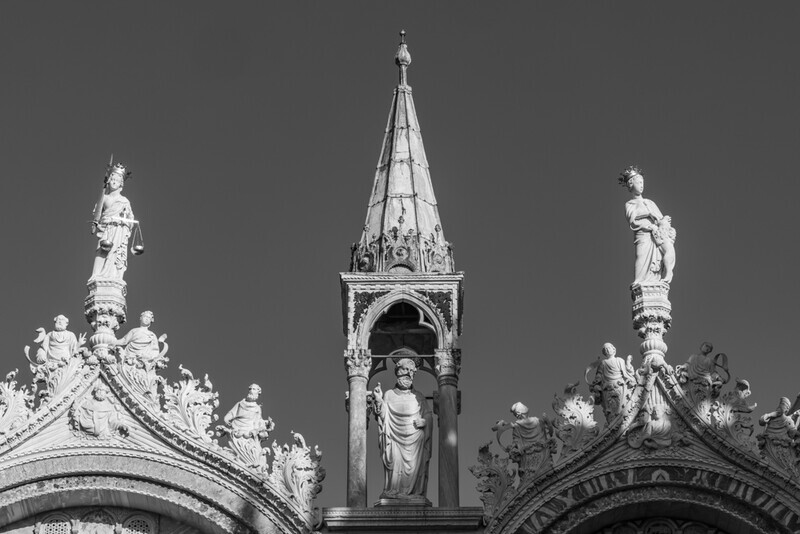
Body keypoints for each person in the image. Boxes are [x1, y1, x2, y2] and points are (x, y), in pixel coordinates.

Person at [372, 358, 433, 501]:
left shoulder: (419, 396)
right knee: (393, 464)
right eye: (406, 370)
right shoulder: (389, 395)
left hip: (415, 440)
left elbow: (428, 415)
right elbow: (383, 416)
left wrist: (424, 421)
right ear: (398, 371)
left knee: (415, 468)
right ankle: (392, 490)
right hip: (394, 437)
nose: (409, 374)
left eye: (412, 372)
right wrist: (379, 400)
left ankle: (415, 492)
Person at [619, 166, 676, 285]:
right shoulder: (630, 203)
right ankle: (639, 281)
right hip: (643, 234)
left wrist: (664, 220)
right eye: (639, 182)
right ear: (630, 184)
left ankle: (668, 272)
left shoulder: (650, 202)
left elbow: (660, 219)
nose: (641, 185)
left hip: (657, 235)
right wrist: (648, 218)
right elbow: (633, 220)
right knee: (641, 256)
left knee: (667, 250)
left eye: (642, 182)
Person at [90, 163, 135, 281]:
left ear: (121, 184)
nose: (114, 181)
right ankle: (95, 275)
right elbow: (97, 212)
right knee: (101, 250)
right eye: (113, 179)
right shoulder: (104, 198)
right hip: (106, 228)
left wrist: (125, 222)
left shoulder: (125, 201)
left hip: (119, 230)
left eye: (117, 180)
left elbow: (130, 219)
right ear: (109, 181)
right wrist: (95, 222)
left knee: (116, 254)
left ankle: (115, 276)